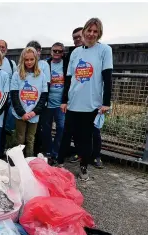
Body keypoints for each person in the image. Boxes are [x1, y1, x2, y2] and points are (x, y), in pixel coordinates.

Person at [55, 18, 113, 181]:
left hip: (91, 103)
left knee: (85, 138)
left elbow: (107, 78)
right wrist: (64, 100)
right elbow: (68, 78)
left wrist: (106, 102)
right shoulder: (76, 52)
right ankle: (59, 163)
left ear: (99, 33)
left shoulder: (105, 50)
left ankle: (83, 167)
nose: (91, 34)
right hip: (73, 101)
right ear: (84, 31)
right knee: (66, 134)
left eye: (95, 31)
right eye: (89, 30)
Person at [10, 47, 48, 158]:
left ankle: (29, 160)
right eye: (26, 60)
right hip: (20, 114)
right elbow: (14, 96)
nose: (29, 62)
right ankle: (19, 161)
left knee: (31, 138)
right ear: (22, 60)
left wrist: (34, 112)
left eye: (32, 59)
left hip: (34, 113)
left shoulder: (41, 76)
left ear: (36, 59)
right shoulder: (17, 75)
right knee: (20, 138)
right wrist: (22, 113)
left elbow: (43, 96)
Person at [42, 42, 68, 163]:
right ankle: (48, 151)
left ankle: (56, 152)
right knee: (46, 128)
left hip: (61, 103)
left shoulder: (66, 64)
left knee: (61, 128)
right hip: (48, 102)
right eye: (54, 51)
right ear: (51, 52)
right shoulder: (46, 64)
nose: (57, 53)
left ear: (63, 53)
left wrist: (66, 100)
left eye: (59, 51)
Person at [25, 40, 51, 156]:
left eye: (37, 51)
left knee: (37, 131)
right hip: (25, 103)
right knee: (23, 133)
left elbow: (46, 85)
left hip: (38, 104)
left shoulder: (44, 65)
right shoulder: (22, 66)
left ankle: (36, 153)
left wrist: (40, 105)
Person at [0, 39, 18, 156]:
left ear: (6, 49)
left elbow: (15, 81)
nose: (1, 48)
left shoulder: (11, 63)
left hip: (7, 101)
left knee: (4, 129)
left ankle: (1, 151)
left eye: (3, 47)